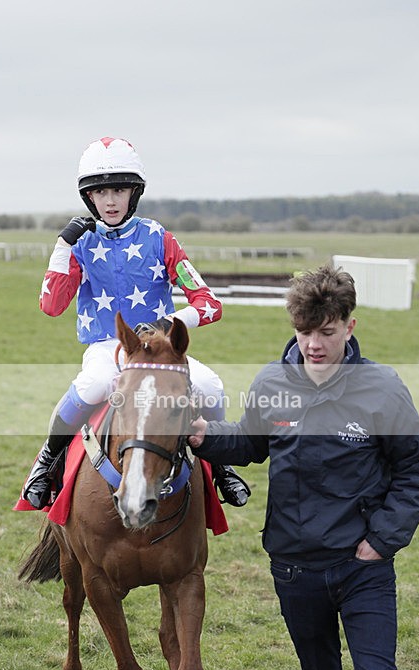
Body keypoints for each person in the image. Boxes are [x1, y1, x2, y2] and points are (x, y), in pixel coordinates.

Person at [188, 264, 419, 670]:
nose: (314, 344)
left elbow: (418, 464)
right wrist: (207, 436)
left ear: (350, 325)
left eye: (327, 331)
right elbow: (252, 445)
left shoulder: (382, 388)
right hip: (295, 567)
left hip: (362, 567)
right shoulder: (272, 383)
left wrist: (384, 538)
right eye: (305, 332)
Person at [22, 136, 250, 510]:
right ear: (88, 198)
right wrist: (62, 248)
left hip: (158, 350)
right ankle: (47, 461)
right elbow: (51, 306)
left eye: (119, 190)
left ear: (135, 193)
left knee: (210, 385)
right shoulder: (78, 243)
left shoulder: (159, 238)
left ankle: (220, 465)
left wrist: (169, 322)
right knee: (95, 383)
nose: (110, 201)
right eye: (100, 192)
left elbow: (209, 303)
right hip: (106, 347)